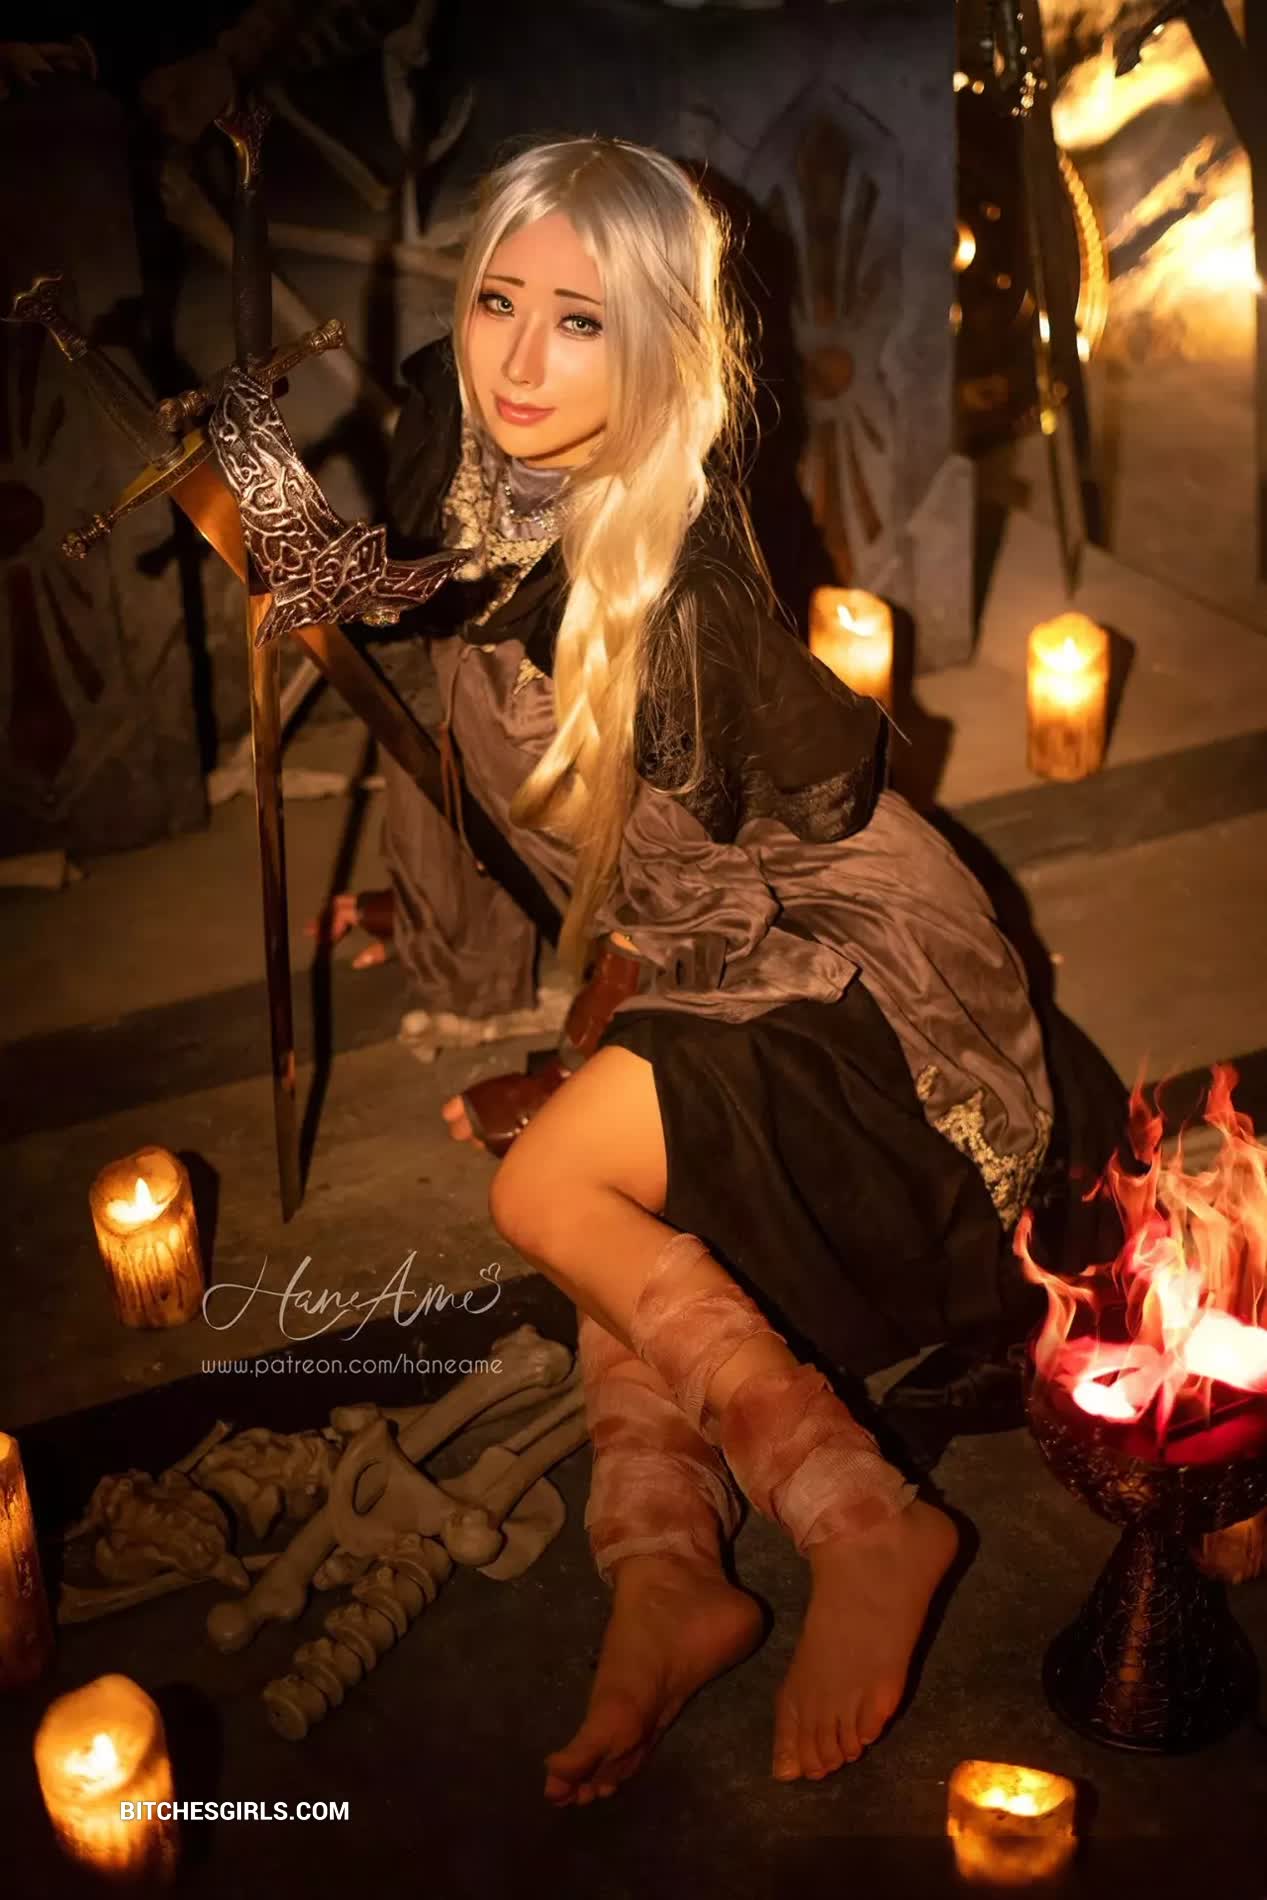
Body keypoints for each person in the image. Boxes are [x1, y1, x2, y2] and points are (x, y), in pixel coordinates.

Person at [329, 134, 1057, 1804]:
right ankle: (665, 1574)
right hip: (714, 965)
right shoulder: (479, 485)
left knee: (546, 1196)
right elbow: (509, 800)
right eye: (499, 302)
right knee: (619, 1242)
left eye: (580, 322)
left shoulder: (673, 597)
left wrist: (614, 1043)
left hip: (862, 993)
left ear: (657, 344)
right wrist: (541, 993)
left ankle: (862, 1523)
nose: (520, 359)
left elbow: (817, 821)